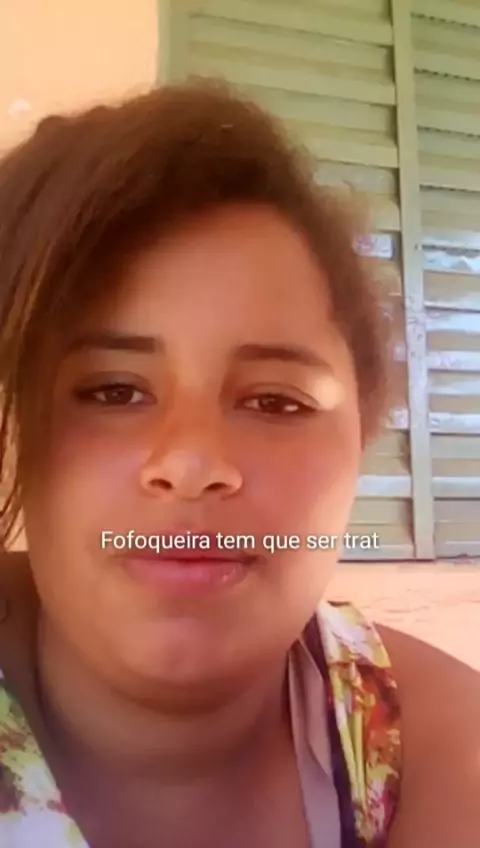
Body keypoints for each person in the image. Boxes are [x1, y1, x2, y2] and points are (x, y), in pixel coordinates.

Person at [0, 79, 478, 848]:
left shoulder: (439, 741)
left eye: (276, 402)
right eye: (114, 391)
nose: (192, 463)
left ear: (362, 436)